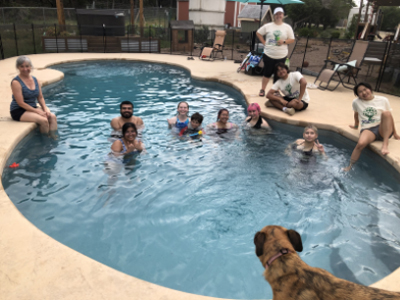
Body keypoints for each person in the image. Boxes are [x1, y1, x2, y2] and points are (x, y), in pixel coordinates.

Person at [344, 82, 399, 171]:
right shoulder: (356, 102)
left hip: (383, 128)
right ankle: (350, 166)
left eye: (365, 89)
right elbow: (356, 114)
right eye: (360, 92)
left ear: (370, 89)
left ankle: (385, 144)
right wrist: (356, 125)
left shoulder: (383, 100)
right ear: (358, 95)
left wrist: (395, 133)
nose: (364, 93)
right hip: (368, 129)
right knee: (360, 144)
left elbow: (389, 118)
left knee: (386, 113)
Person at [10, 56, 58, 136]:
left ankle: (53, 138)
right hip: (18, 110)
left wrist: (44, 109)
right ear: (18, 67)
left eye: (27, 66)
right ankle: (45, 142)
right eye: (22, 66)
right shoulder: (16, 82)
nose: (25, 69)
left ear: (31, 67)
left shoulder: (36, 80)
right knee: (44, 120)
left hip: (32, 107)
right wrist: (37, 111)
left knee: (52, 117)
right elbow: (21, 103)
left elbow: (40, 97)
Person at [256, 7, 295, 97]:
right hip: (269, 54)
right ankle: (263, 89)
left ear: (283, 15)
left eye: (280, 14)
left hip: (281, 55)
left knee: (279, 74)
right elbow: (258, 33)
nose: (278, 16)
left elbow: (292, 39)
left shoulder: (287, 27)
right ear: (274, 15)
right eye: (277, 14)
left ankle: (276, 91)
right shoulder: (268, 26)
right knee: (267, 73)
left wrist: (284, 42)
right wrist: (264, 42)